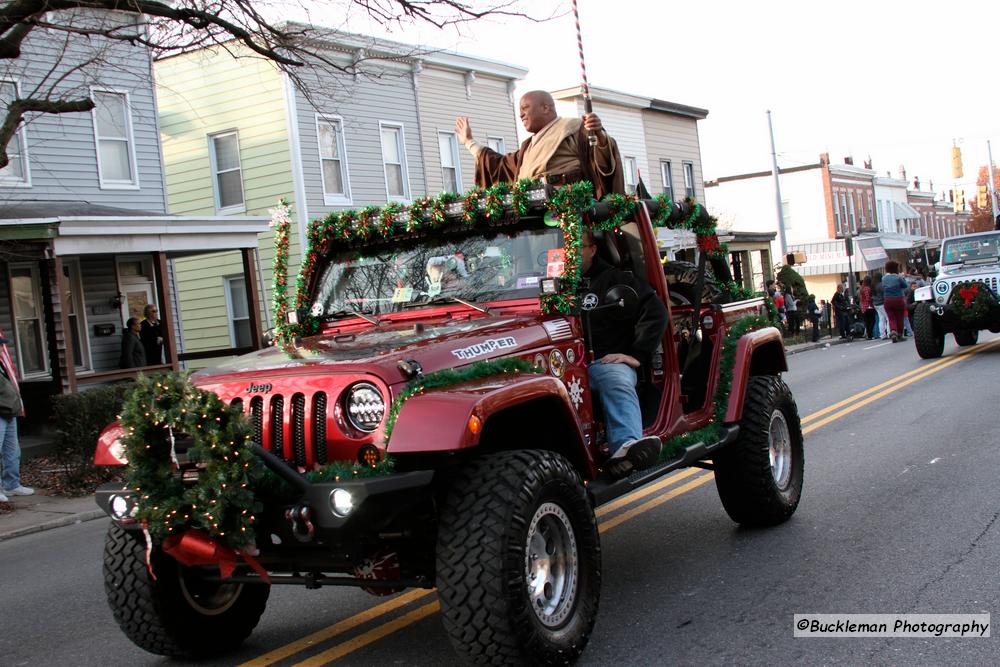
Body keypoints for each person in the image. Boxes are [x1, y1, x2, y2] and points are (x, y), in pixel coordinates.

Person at [580, 230, 668, 480]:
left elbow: (656, 313)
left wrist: (635, 354)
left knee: (616, 381)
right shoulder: (538, 289)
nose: (568, 254)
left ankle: (627, 448)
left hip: (602, 362)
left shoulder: (615, 280)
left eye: (576, 247)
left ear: (593, 249)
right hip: (556, 369)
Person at [455, 90, 625, 199]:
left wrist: (599, 135)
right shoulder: (527, 146)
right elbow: (499, 166)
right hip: (532, 211)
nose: (521, 114)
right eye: (519, 110)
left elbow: (601, 161)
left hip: (568, 206)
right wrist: (469, 142)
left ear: (546, 108)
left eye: (525, 108)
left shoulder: (575, 128)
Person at [0, 331, 32, 501]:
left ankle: (12, 484)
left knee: (12, 451)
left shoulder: (1, 365)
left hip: (10, 412)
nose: (1, 348)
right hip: (1, 412)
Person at [880, 260, 909, 343]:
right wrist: (901, 277)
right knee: (899, 317)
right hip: (898, 299)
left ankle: (893, 330)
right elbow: (905, 285)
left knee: (891, 318)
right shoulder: (898, 277)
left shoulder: (884, 278)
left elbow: (883, 287)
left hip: (887, 300)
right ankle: (900, 334)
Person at [872, 272, 888, 340]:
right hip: (882, 303)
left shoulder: (873, 285)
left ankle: (882, 334)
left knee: (881, 319)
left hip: (876, 304)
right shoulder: (880, 285)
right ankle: (889, 332)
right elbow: (884, 294)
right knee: (888, 318)